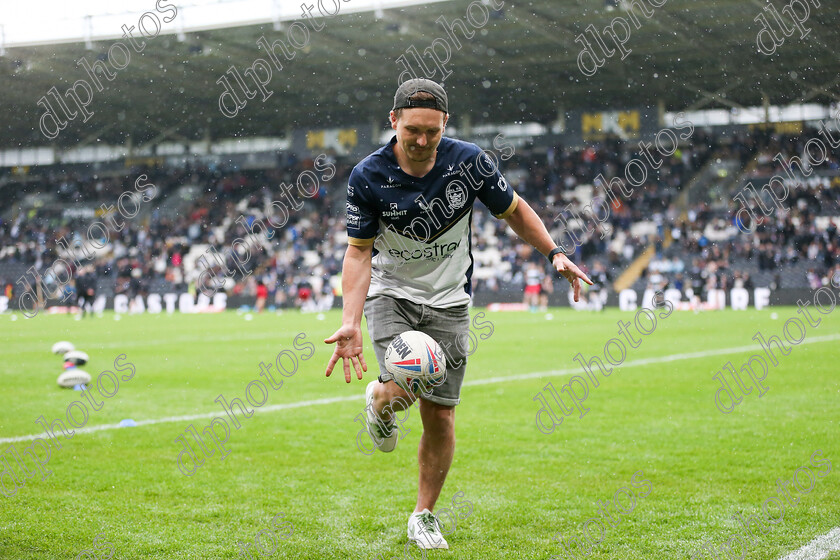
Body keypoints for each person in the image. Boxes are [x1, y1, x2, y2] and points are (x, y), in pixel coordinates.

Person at [323, 79, 592, 551]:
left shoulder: (468, 163)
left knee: (441, 415)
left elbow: (513, 210)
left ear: (445, 123)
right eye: (412, 131)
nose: (422, 141)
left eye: (431, 130)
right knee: (408, 379)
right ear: (394, 122)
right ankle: (382, 401)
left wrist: (554, 252)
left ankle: (424, 515)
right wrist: (349, 320)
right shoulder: (367, 175)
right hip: (392, 295)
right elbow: (358, 252)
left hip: (450, 301)